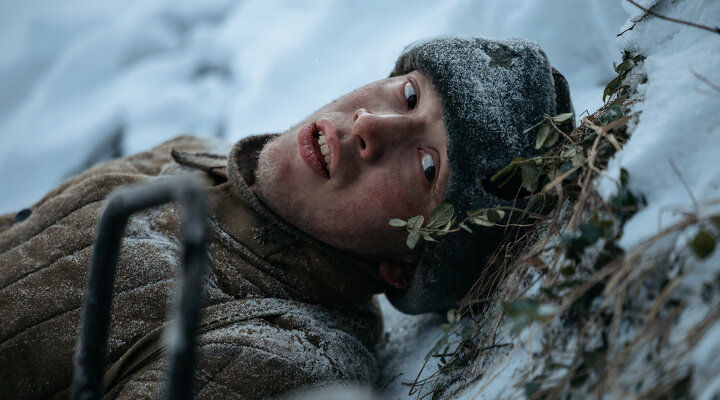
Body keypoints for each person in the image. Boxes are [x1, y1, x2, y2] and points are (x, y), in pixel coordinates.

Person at [0, 36, 571, 399]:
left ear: (403, 267)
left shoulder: (282, 354)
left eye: (427, 167)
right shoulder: (189, 156)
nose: (371, 125)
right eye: (409, 95)